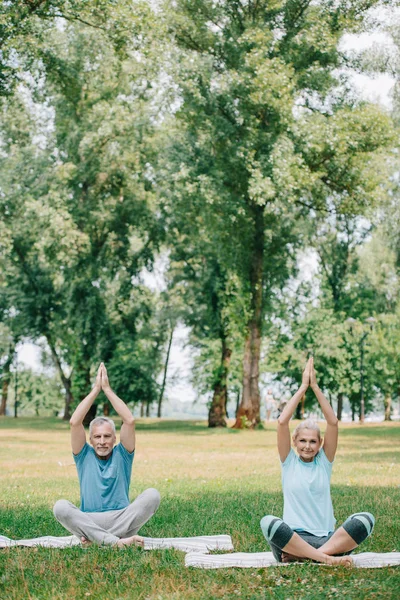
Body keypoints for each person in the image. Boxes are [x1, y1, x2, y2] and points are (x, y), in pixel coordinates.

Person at [260, 357, 374, 566]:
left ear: (320, 443)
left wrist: (316, 387)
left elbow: (333, 421)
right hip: (293, 540)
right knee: (268, 522)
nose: (307, 446)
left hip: (327, 540)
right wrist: (303, 386)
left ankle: (311, 556)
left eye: (313, 441)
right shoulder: (288, 462)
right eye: (302, 440)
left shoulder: (324, 462)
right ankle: (323, 558)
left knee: (366, 519)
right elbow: (282, 421)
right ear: (294, 441)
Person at [53, 363, 160, 547]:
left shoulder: (123, 454)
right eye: (97, 436)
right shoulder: (83, 454)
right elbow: (74, 422)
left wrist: (107, 389)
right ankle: (116, 542)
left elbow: (129, 420)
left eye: (107, 436)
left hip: (121, 518)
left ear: (114, 438)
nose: (102, 441)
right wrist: (96, 389)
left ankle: (97, 540)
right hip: (90, 519)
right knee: (60, 507)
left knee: (153, 495)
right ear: (91, 440)